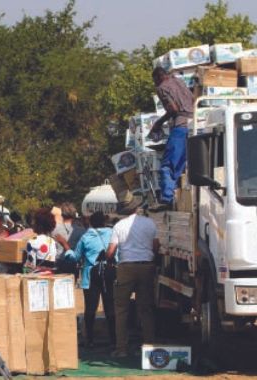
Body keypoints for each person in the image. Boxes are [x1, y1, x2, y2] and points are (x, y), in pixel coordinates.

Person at [106, 195, 159, 357]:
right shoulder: (150, 223)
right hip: (146, 266)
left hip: (126, 266)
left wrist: (109, 260)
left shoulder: (119, 226)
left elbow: (111, 251)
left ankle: (121, 348)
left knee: (121, 309)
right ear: (137, 208)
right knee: (146, 308)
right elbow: (156, 246)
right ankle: (149, 346)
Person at [61, 212, 116, 347]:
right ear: (104, 222)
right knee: (110, 306)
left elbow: (76, 257)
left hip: (91, 274)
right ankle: (114, 340)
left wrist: (65, 246)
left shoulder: (86, 237)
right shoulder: (112, 233)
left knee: (90, 308)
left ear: (91, 223)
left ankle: (89, 340)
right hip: (109, 272)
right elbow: (118, 253)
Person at [150, 67, 194, 210]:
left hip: (181, 126)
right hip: (196, 124)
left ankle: (167, 198)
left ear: (158, 77)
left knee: (168, 165)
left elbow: (173, 109)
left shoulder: (162, 87)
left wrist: (158, 123)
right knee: (185, 163)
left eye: (154, 81)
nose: (155, 84)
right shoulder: (179, 81)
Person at [53, 202, 86, 274]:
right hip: (73, 265)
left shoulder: (54, 229)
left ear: (62, 214)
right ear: (74, 215)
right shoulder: (81, 231)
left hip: (57, 263)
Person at [24, 208, 58, 273]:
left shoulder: (32, 241)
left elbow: (30, 265)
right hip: (49, 275)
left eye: (34, 221)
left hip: (37, 278)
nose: (32, 223)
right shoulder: (52, 241)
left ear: (39, 224)